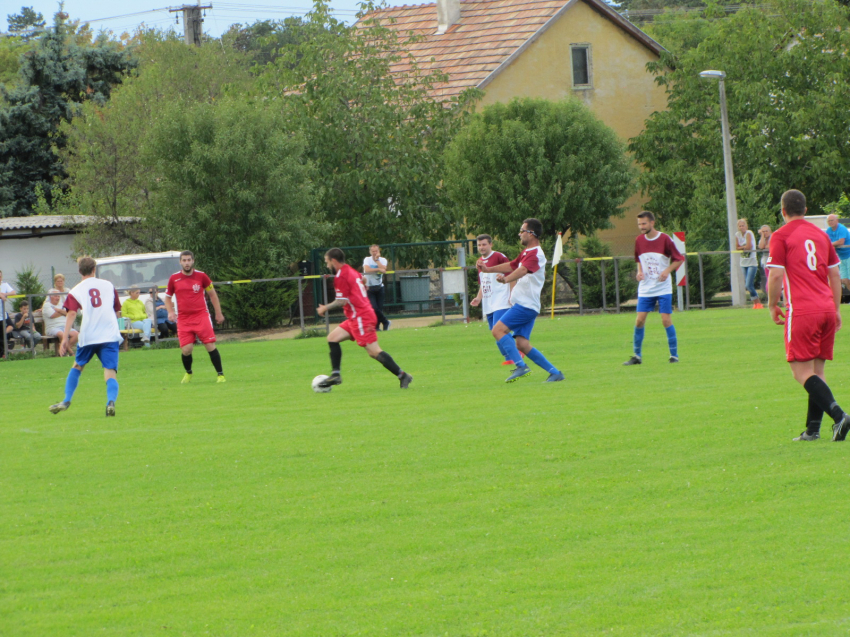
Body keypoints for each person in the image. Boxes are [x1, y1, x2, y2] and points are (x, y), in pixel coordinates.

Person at [766, 189, 850, 442]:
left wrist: (771, 305)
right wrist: (835, 309)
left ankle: (840, 415)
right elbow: (835, 275)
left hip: (802, 310)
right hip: (825, 307)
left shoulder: (781, 236)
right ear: (805, 210)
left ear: (783, 211)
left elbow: (776, 275)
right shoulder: (821, 235)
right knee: (817, 371)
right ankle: (812, 430)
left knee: (800, 372)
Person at [476, 218, 565, 383]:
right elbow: (512, 265)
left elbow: (522, 270)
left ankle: (521, 366)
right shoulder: (526, 252)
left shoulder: (535, 253)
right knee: (522, 344)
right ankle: (555, 373)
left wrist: (507, 279)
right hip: (526, 305)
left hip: (525, 305)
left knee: (497, 331)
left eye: (522, 231)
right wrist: (488, 270)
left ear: (531, 234)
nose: (520, 234)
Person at [316, 248, 412, 389]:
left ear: (334, 261)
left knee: (374, 352)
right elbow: (364, 278)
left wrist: (325, 308)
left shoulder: (341, 276)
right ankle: (336, 374)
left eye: (327, 262)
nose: (327, 265)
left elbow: (341, 301)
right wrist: (364, 286)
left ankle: (403, 375)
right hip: (356, 316)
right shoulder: (351, 270)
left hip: (362, 317)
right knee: (332, 338)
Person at [48, 256, 123, 417]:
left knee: (77, 366)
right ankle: (110, 402)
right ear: (94, 269)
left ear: (79, 271)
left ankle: (66, 400)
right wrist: (116, 329)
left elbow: (72, 313)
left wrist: (64, 338)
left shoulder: (76, 290)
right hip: (109, 335)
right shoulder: (109, 285)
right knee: (110, 372)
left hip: (89, 336)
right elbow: (117, 311)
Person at [623, 211, 685, 365]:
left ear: (652, 223)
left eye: (644, 223)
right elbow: (639, 259)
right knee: (639, 321)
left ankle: (674, 356)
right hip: (646, 288)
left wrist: (666, 271)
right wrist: (639, 272)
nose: (641, 227)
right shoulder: (639, 240)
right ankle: (637, 356)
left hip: (663, 287)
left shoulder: (665, 239)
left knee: (665, 320)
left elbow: (679, 259)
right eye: (639, 224)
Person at [164, 250, 226, 383]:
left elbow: (213, 295)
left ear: (193, 261)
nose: (187, 263)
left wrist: (218, 313)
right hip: (184, 319)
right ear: (180, 262)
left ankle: (220, 375)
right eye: (184, 260)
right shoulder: (174, 278)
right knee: (187, 350)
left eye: (189, 260)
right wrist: (170, 312)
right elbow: (167, 298)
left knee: (209, 345)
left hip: (201, 316)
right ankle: (188, 373)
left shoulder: (202, 276)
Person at [470, 233, 517, 366]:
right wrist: (479, 298)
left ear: (491, 244)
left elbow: (512, 274)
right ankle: (509, 357)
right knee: (495, 333)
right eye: (479, 245)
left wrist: (511, 295)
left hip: (501, 301)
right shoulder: (480, 261)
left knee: (499, 330)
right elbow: (484, 282)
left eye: (484, 244)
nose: (481, 247)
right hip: (488, 303)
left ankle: (516, 353)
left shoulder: (499, 256)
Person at [362, 244, 391, 331]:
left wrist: (377, 260)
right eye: (373, 251)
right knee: (374, 308)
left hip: (379, 287)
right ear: (370, 252)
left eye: (376, 251)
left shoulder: (383, 260)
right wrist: (378, 269)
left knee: (379, 309)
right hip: (369, 288)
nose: (375, 253)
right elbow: (367, 270)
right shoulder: (367, 259)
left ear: (379, 251)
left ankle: (377, 327)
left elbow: (384, 269)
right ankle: (385, 321)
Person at [42, 288, 78, 354]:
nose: (57, 298)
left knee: (76, 334)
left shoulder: (62, 304)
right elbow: (53, 315)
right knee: (62, 334)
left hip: (64, 326)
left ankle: (62, 350)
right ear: (51, 297)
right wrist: (63, 312)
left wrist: (59, 310)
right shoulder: (47, 305)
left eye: (58, 296)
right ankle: (71, 352)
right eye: (55, 296)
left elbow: (68, 314)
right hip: (52, 328)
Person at [736, 219, 761, 308]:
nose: (741, 227)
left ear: (746, 226)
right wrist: (743, 247)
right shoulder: (737, 235)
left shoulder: (749, 233)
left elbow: (749, 247)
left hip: (752, 262)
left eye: (743, 225)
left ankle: (758, 302)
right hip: (743, 262)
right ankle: (755, 304)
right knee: (748, 285)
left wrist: (742, 247)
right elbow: (737, 247)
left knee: (748, 284)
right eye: (740, 226)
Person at [825, 214, 850, 294]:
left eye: (832, 220)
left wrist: (829, 244)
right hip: (842, 257)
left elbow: (841, 241)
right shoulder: (828, 231)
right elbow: (827, 242)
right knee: (844, 280)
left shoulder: (841, 228)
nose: (830, 222)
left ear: (837, 221)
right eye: (829, 221)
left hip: (849, 255)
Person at [758, 225, 773, 295]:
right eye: (763, 231)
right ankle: (769, 293)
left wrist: (765, 246)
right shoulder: (762, 239)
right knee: (768, 277)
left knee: (772, 277)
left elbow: (769, 246)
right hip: (765, 259)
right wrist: (762, 236)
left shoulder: (773, 237)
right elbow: (761, 246)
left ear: (770, 231)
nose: (765, 233)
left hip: (772, 258)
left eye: (766, 231)